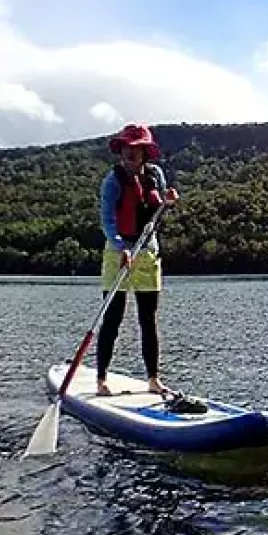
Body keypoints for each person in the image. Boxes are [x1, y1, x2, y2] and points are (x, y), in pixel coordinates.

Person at [96, 124, 179, 397]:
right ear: (121, 151)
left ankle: (153, 379)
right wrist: (122, 247)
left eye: (136, 150)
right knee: (113, 317)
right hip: (118, 252)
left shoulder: (155, 176)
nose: (131, 155)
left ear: (145, 152)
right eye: (126, 150)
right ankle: (101, 379)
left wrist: (168, 202)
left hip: (147, 251)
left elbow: (157, 212)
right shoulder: (112, 181)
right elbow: (107, 220)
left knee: (148, 318)